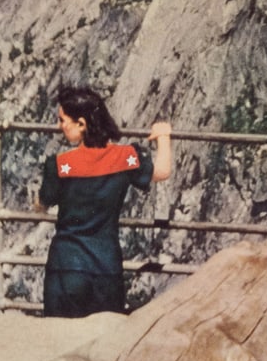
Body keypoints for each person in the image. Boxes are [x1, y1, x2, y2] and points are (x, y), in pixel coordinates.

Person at [38, 86, 171, 318]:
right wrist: (163, 136)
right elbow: (162, 172)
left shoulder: (60, 165)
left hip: (66, 265)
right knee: (103, 341)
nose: (59, 126)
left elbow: (43, 203)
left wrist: (36, 201)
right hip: (105, 266)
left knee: (59, 340)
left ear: (81, 124)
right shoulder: (125, 157)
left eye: (62, 120)